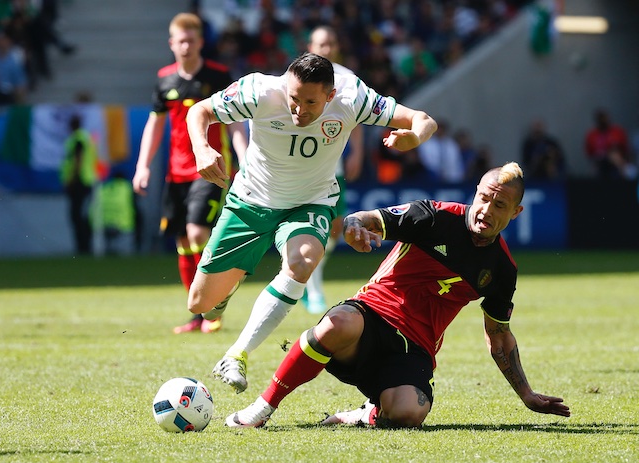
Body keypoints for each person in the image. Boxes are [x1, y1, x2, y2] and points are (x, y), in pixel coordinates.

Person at [225, 162, 571, 428]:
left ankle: (367, 414)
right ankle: (261, 408)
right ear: (475, 192)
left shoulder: (502, 269)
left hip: (415, 348)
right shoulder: (435, 217)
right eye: (484, 198)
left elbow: (498, 335)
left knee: (409, 413)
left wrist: (526, 394)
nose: (487, 210)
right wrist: (356, 228)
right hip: (371, 318)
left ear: (516, 212)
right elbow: (366, 217)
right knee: (336, 324)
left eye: (500, 205)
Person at [186, 51, 437, 394]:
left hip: (311, 202)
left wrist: (415, 137)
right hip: (251, 201)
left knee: (303, 261)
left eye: (310, 102)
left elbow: (424, 119)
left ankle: (237, 354)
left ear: (331, 96)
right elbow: (199, 111)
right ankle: (225, 291)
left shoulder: (352, 97)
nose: (299, 110)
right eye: (294, 98)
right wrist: (202, 147)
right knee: (199, 305)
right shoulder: (259, 90)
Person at [132, 12, 247, 334]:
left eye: (191, 40)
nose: (186, 46)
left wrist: (245, 158)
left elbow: (235, 121)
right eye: (180, 41)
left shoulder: (218, 76)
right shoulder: (165, 79)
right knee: (183, 241)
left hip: (210, 169)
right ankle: (200, 312)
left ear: (200, 42)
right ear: (172, 43)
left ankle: (217, 296)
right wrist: (143, 166)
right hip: (175, 174)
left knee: (197, 232)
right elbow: (154, 125)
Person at [301, 25, 365, 314]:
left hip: (335, 165)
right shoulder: (296, 75)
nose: (326, 49)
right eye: (320, 44)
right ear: (310, 46)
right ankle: (313, 290)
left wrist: (357, 153)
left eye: (330, 44)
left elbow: (359, 117)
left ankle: (306, 279)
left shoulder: (347, 78)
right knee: (313, 227)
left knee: (336, 229)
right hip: (305, 166)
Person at [60, 114, 98, 255]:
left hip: (79, 181)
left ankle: (83, 247)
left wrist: (71, 178)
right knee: (83, 214)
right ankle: (85, 246)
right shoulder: (86, 138)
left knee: (77, 215)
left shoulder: (77, 139)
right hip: (87, 180)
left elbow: (78, 159)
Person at [584, 108, 631, 178]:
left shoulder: (617, 132)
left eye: (605, 118)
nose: (603, 121)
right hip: (599, 163)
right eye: (601, 119)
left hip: (618, 163)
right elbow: (589, 153)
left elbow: (625, 149)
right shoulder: (592, 135)